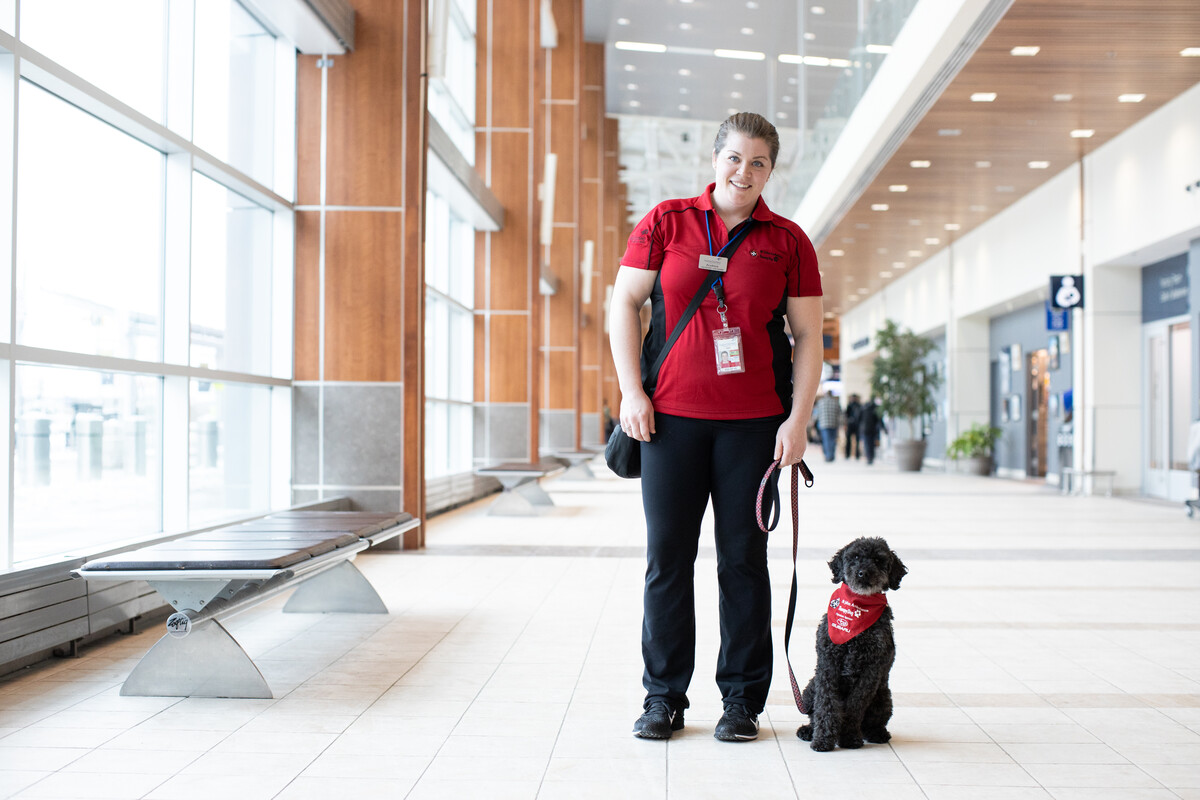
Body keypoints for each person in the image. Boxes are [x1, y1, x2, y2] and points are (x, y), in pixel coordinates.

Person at [609, 112, 824, 743]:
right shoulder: (666, 222)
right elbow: (624, 303)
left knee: (744, 563)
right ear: (714, 159)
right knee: (666, 562)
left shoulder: (787, 241)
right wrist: (631, 391)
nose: (744, 171)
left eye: (758, 162)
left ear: (771, 171)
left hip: (752, 430)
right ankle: (664, 698)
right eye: (734, 157)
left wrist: (799, 418)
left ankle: (741, 701)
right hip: (668, 424)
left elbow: (809, 337)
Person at [814, 390, 842, 462]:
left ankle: (827, 456)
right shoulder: (835, 402)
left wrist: (814, 422)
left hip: (824, 424)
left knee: (826, 440)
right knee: (833, 440)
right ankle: (832, 455)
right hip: (834, 424)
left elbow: (817, 414)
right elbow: (840, 413)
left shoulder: (821, 402)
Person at [860, 396, 887, 465]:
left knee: (867, 444)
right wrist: (884, 428)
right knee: (871, 444)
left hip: (865, 429)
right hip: (872, 430)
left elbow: (859, 419)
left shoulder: (864, 409)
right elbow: (879, 420)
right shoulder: (874, 410)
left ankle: (869, 457)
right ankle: (871, 457)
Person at [844, 393, 862, 459]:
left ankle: (856, 455)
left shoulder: (858, 406)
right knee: (849, 440)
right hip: (851, 425)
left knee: (856, 440)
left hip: (856, 425)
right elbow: (846, 416)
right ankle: (848, 454)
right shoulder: (849, 406)